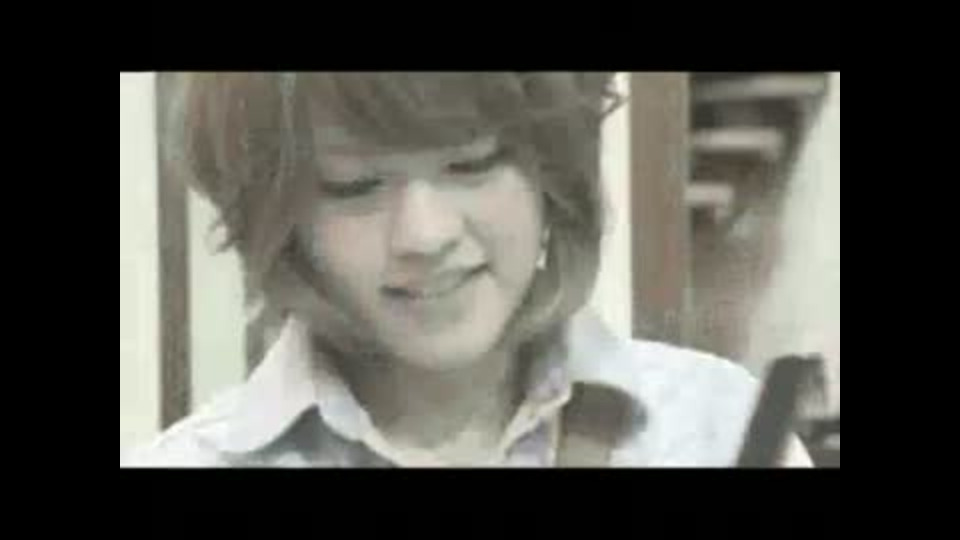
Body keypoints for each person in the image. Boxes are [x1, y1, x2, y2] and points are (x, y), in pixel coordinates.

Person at [123, 72, 811, 467]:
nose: (425, 235)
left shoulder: (721, 428)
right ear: (284, 222)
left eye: (472, 163)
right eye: (356, 186)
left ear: (554, 171)